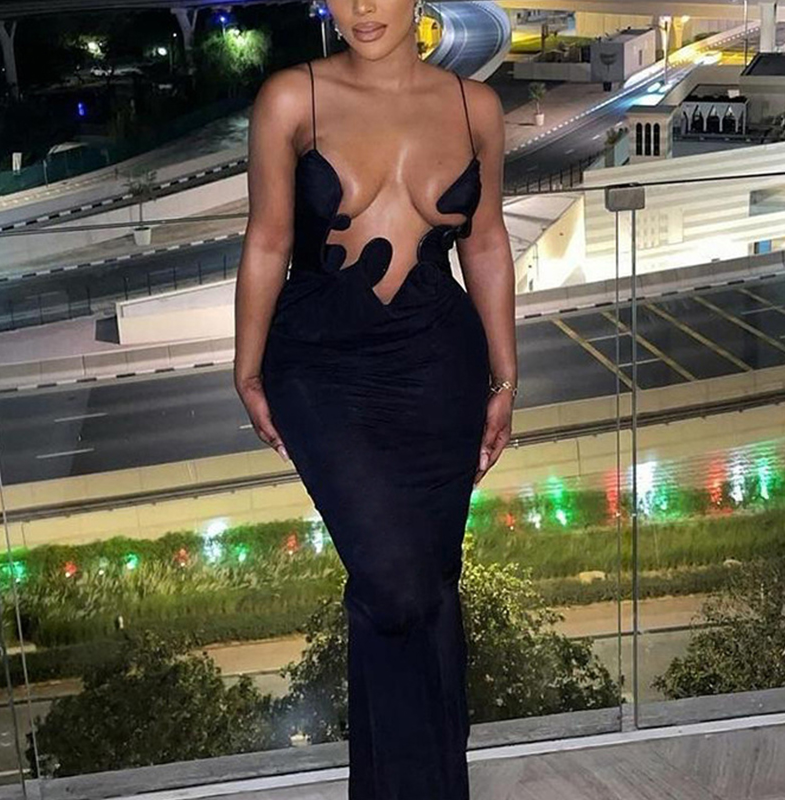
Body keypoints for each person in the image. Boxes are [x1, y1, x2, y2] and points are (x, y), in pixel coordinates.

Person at [234, 1, 517, 797]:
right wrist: (247, 368)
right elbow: (268, 239)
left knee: (430, 584)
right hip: (321, 364)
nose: (361, 7)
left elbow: (486, 241)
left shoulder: (475, 106)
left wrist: (504, 378)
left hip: (438, 361)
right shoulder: (291, 98)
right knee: (394, 584)